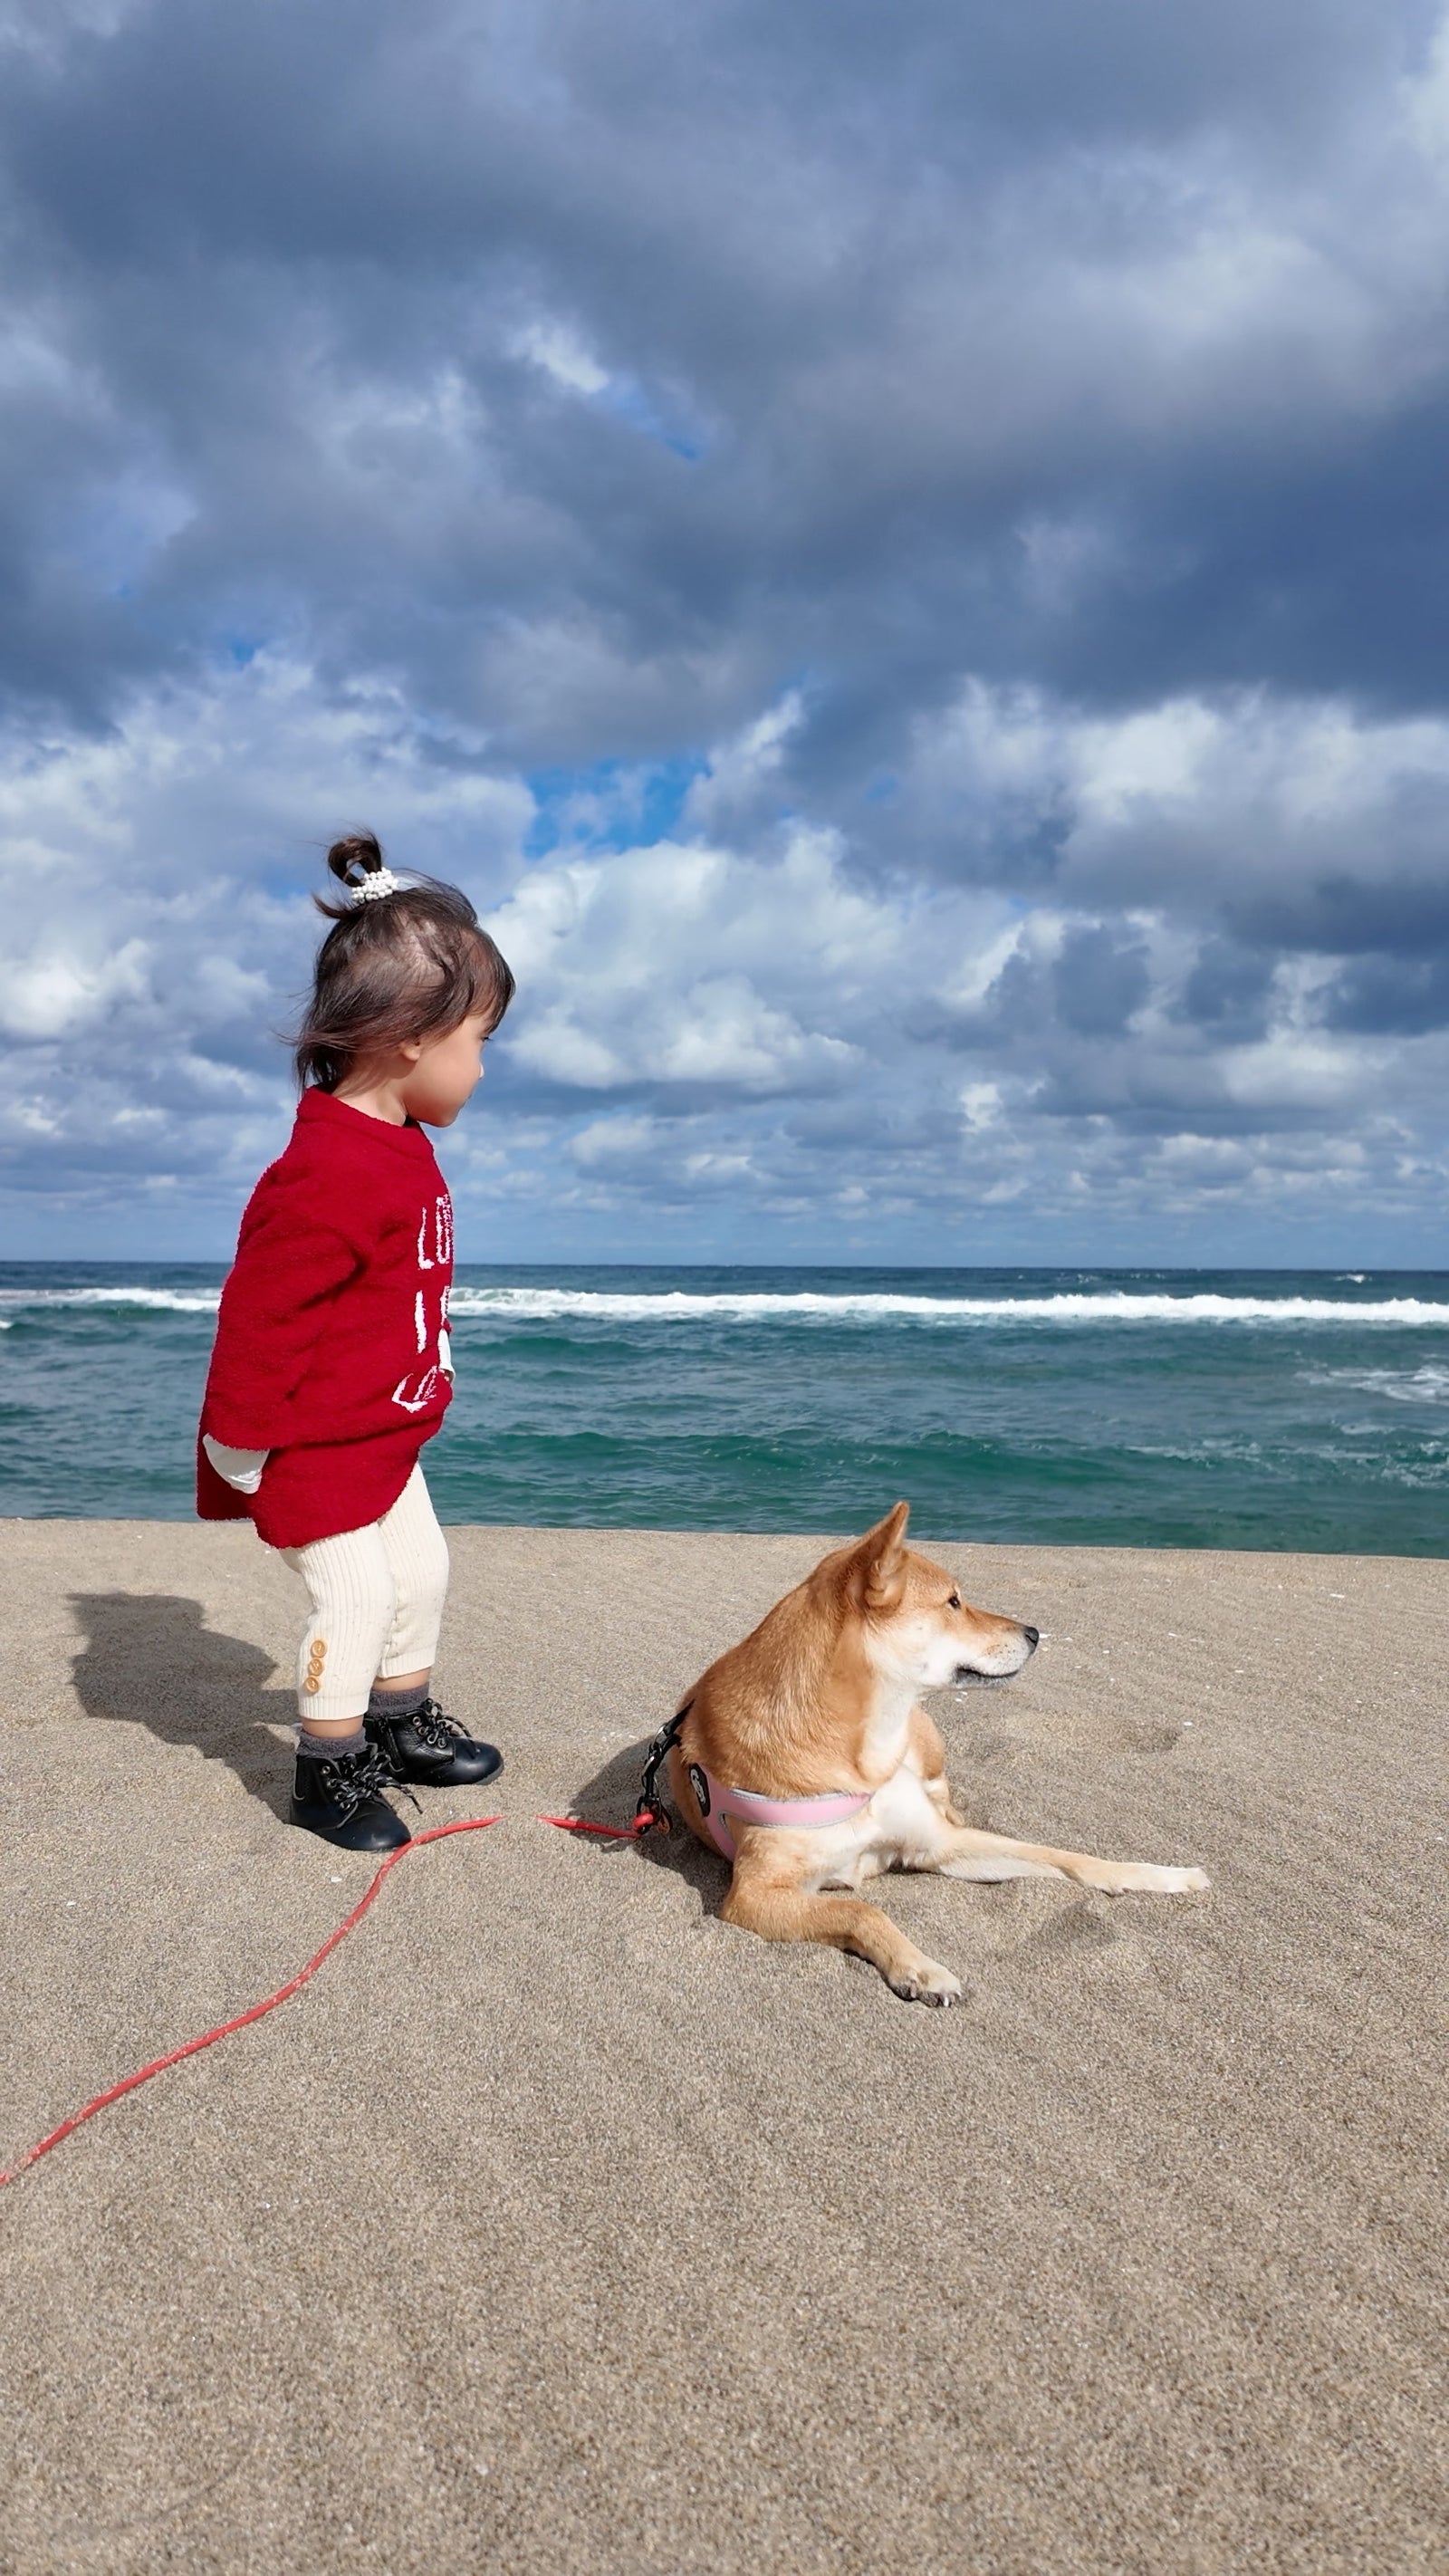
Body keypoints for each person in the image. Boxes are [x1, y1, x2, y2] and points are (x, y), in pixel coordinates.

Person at [197, 831, 514, 1852]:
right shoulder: (324, 1171)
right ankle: (326, 1773)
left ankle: (400, 1717)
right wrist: (237, 1447)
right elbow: (261, 1320)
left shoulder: (401, 1146)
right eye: (478, 1043)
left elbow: (404, 1285)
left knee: (420, 1571)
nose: (479, 1069)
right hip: (310, 1443)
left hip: (382, 1428)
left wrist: (435, 1358)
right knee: (358, 1592)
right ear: (411, 1037)